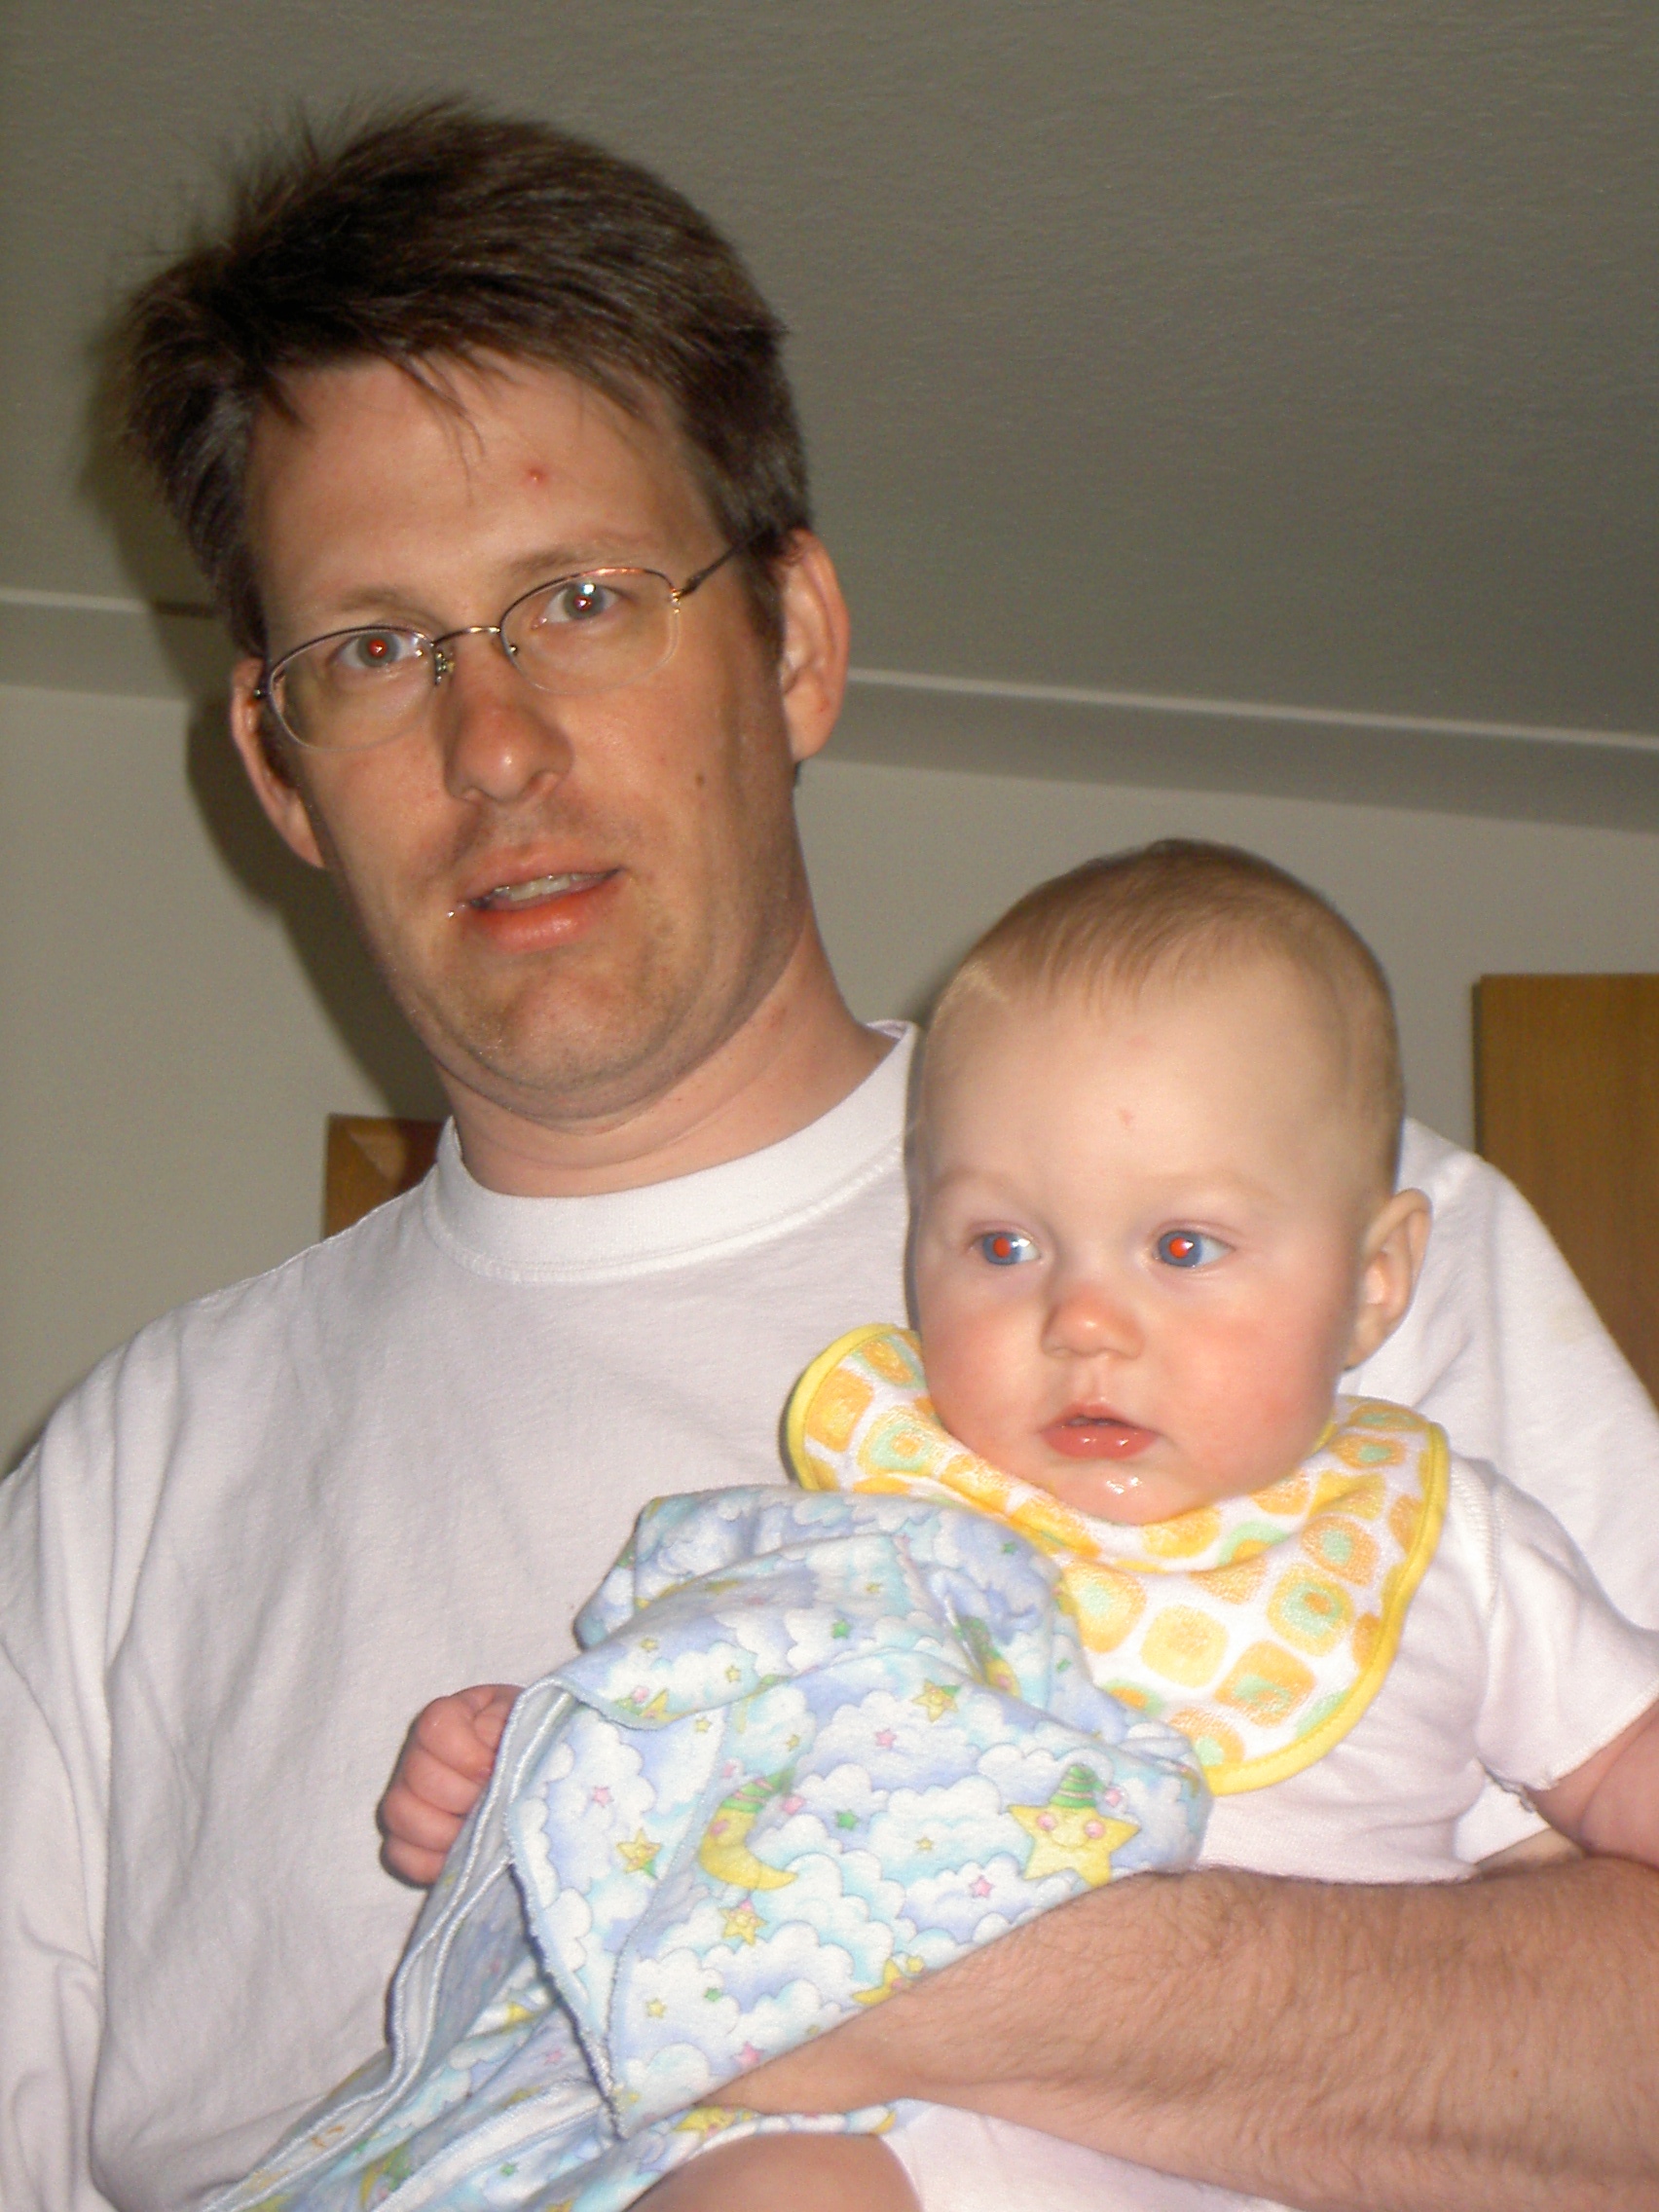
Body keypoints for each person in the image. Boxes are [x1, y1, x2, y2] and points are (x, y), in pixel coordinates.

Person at [1, 97, 1657, 2212]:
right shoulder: (116, 1497)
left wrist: (811, 1963)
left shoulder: (1270, 1261)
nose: (494, 745)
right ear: (278, 762)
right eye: (378, 648)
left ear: (792, 645)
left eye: (581, 597)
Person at [370, 842, 1659, 2212]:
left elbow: (1625, 1767)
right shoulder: (884, 1530)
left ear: (1377, 1283)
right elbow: (694, 1731)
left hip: (1314, 2148)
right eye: (1003, 1247)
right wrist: (533, 1773)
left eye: (1181, 1247)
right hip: (908, 2144)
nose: (1081, 1321)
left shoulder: (1446, 1545)